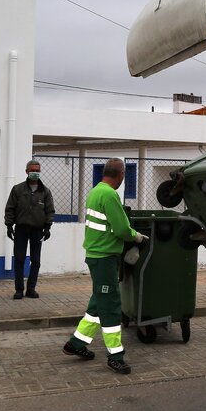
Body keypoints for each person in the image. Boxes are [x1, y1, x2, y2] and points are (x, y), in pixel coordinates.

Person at [62, 158, 146, 375]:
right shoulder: (110, 195)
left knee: (98, 302)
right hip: (105, 257)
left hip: (97, 255)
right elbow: (121, 229)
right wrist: (138, 238)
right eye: (123, 177)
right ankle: (115, 356)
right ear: (120, 175)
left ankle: (77, 343)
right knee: (110, 306)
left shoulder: (95, 191)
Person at [4, 159, 56, 300]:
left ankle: (31, 289)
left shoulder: (45, 191)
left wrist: (47, 227)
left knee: (36, 260)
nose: (35, 173)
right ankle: (19, 289)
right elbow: (10, 208)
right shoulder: (17, 189)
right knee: (19, 259)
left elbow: (50, 210)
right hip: (21, 229)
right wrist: (9, 226)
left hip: (37, 230)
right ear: (26, 171)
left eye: (37, 171)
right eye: (32, 170)